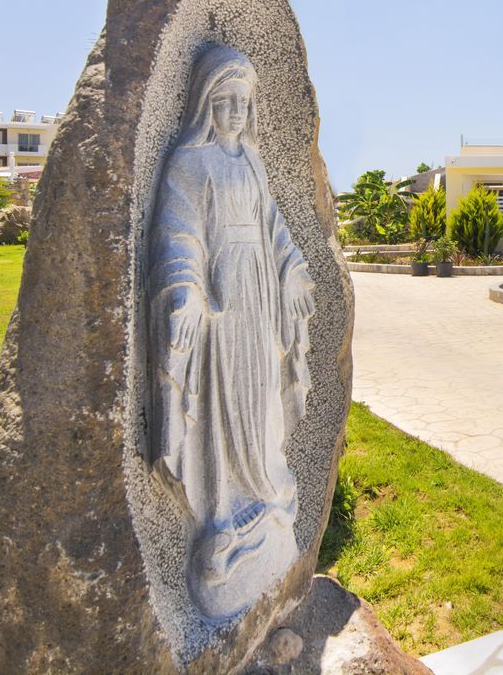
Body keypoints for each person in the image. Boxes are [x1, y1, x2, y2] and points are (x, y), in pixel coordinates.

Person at [147, 45, 316, 619]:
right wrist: (186, 291)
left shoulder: (251, 162)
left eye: (246, 102)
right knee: (226, 410)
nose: (239, 112)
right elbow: (178, 235)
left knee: (262, 401)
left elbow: (274, 227)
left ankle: (266, 493)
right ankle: (223, 511)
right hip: (222, 307)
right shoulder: (189, 165)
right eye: (228, 101)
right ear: (207, 103)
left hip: (261, 300)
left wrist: (292, 270)